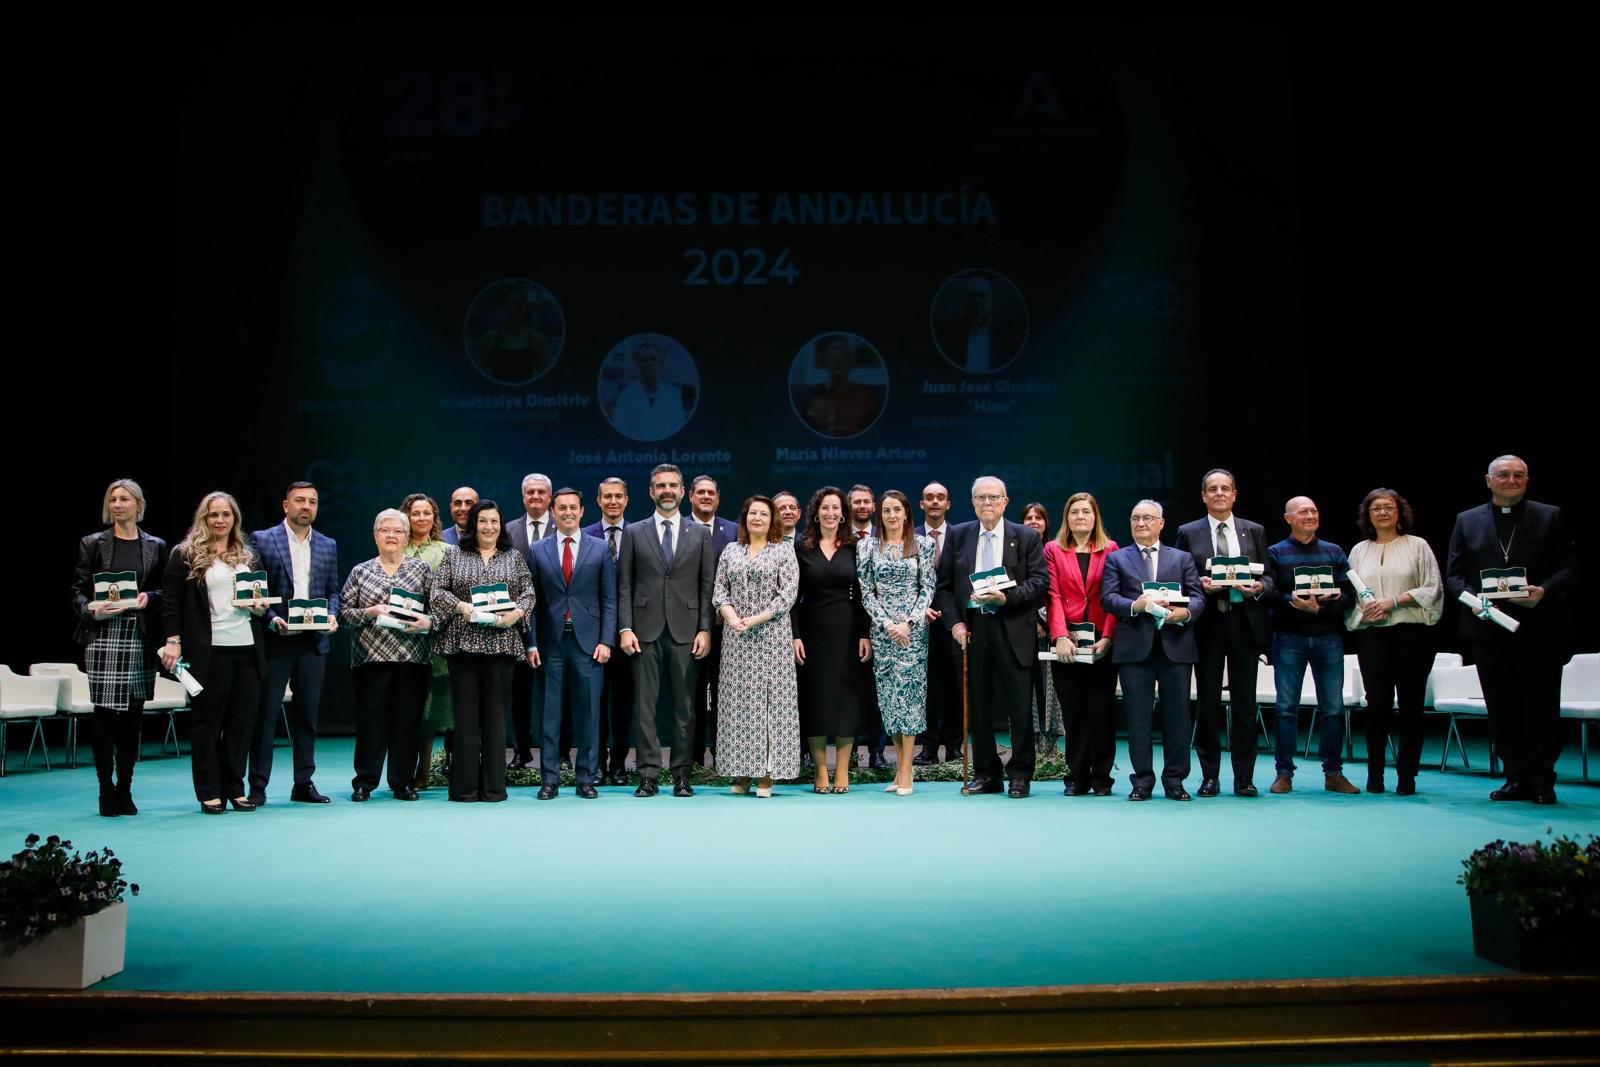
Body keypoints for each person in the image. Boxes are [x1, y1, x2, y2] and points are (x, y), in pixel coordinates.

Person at [1445, 455, 1578, 804]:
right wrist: (1478, 603)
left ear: (1527, 480)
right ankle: (1515, 777)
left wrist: (1543, 591)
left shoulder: (1550, 516)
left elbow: (1570, 567)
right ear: (1488, 480)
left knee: (1541, 705)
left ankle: (1542, 779)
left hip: (1539, 628)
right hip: (1487, 628)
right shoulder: (1467, 520)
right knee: (1501, 707)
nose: (1511, 480)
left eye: (1519, 475)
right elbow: (1454, 576)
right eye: (1503, 475)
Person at [934, 476, 1048, 797]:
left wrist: (1006, 598)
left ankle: (1020, 774)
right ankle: (987, 773)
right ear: (972, 502)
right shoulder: (958, 535)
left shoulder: (1025, 536)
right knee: (977, 706)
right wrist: (954, 623)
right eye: (981, 498)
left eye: (994, 498)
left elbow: (1040, 583)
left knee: (1019, 708)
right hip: (972, 631)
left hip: (1013, 628)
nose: (987, 503)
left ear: (1005, 502)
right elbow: (943, 587)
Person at [158, 491, 268, 814]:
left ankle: (235, 787)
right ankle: (209, 790)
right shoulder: (185, 554)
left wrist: (260, 607)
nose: (220, 520)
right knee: (208, 723)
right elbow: (170, 602)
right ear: (203, 519)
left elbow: (259, 598)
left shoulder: (247, 555)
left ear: (235, 519)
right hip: (209, 651)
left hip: (247, 649)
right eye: (213, 515)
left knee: (240, 723)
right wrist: (173, 640)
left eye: (226, 515)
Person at [1171, 469, 1273, 797]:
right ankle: (1209, 776)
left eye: (1225, 489)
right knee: (1209, 705)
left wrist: (1258, 586)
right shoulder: (1188, 532)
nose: (1219, 494)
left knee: (1244, 705)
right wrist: (1198, 585)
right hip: (1208, 626)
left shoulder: (1253, 531)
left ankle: (1245, 777)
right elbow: (1177, 576)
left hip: (1244, 625)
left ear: (1234, 494)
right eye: (1212, 489)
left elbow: (1270, 578)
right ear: (1203, 496)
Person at [616, 463, 715, 797]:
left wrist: (705, 629)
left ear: (682, 491)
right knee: (645, 708)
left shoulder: (699, 533)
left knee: (685, 708)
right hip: (643, 632)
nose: (667, 491)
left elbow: (707, 587)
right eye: (661, 486)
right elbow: (625, 586)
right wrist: (625, 627)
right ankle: (647, 774)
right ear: (651, 492)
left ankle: (682, 775)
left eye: (673, 485)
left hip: (687, 632)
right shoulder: (633, 531)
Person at [72, 478, 168, 816]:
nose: (118, 504)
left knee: (132, 719)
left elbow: (162, 591)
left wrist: (149, 597)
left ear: (139, 505)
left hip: (139, 635)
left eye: (125, 499)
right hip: (103, 637)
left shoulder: (155, 545)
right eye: (113, 498)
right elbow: (78, 590)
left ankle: (125, 789)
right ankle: (105, 789)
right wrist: (89, 608)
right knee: (104, 718)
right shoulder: (93, 543)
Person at [429, 499, 533, 803]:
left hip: (501, 645)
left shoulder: (513, 558)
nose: (489, 527)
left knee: (496, 718)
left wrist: (516, 614)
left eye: (494, 522)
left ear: (501, 526)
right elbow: (437, 592)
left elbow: (528, 592)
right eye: (483, 521)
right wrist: (462, 607)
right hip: (463, 645)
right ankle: (464, 789)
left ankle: (493, 788)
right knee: (465, 718)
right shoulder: (454, 554)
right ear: (473, 524)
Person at [1101, 500, 1204, 801]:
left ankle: (1175, 780)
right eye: (1135, 518)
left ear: (1162, 523)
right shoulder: (1117, 559)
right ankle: (1142, 781)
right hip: (1135, 648)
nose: (1141, 523)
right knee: (1137, 719)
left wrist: (1183, 614)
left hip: (1176, 647)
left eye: (1148, 518)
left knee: (1178, 719)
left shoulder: (1182, 558)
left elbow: (1197, 598)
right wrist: (1138, 605)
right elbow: (1109, 598)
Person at [247, 481, 340, 806]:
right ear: (285, 505)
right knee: (266, 717)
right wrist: (272, 619)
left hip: (313, 643)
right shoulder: (261, 539)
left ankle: (303, 782)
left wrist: (331, 616)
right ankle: (257, 788)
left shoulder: (328, 544)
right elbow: (255, 590)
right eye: (299, 500)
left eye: (312, 501)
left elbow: (333, 591)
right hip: (277, 641)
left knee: (307, 717)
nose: (306, 506)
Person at [1346, 488, 1442, 796]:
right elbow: (1352, 594)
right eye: (1376, 508)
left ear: (1399, 513)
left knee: (1411, 707)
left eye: (1389, 507)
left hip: (1412, 634)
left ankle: (1407, 778)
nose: (1383, 513)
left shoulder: (1418, 546)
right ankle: (1375, 776)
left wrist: (1394, 602)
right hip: (1373, 635)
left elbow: (1432, 588)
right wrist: (1366, 613)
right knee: (1377, 707)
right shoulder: (1359, 550)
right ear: (1368, 515)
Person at [526, 488, 617, 800]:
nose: (567, 512)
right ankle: (549, 779)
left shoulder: (600, 548)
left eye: (572, 508)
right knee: (550, 715)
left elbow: (609, 600)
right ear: (553, 512)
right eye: (561, 508)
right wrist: (531, 643)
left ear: (581, 512)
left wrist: (607, 641)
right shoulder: (538, 550)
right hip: (551, 643)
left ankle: (586, 779)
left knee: (589, 714)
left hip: (589, 644)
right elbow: (532, 602)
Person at [339, 509, 434, 802]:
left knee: (407, 722)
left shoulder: (421, 570)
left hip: (413, 659)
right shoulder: (361, 571)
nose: (392, 536)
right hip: (371, 659)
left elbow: (437, 613)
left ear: (407, 537)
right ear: (375, 536)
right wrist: (369, 612)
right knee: (371, 722)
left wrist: (427, 622)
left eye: (398, 531)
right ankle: (365, 782)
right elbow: (343, 614)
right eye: (385, 531)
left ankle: (402, 782)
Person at [1265, 497, 1358, 795]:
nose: (1310, 516)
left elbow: (1349, 595)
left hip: (1328, 637)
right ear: (1288, 518)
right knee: (1285, 708)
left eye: (1314, 511)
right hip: (1288, 637)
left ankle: (1334, 773)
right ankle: (1284, 774)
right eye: (1303, 511)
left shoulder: (1333, 551)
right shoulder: (1276, 553)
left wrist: (1323, 609)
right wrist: (1292, 601)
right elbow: (1269, 594)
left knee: (1332, 708)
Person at [712, 496, 800, 797]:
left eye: (764, 514)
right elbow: (719, 590)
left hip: (771, 637)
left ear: (772, 520)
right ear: (745, 518)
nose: (758, 518)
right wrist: (733, 617)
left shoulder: (783, 551)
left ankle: (766, 775)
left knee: (768, 706)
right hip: (736, 639)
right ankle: (743, 773)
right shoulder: (730, 550)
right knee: (739, 707)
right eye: (753, 513)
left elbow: (787, 596)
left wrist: (755, 620)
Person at [793, 486, 871, 793]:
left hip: (848, 632)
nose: (830, 513)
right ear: (815, 512)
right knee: (816, 700)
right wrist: (795, 636)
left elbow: (864, 595)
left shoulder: (855, 547)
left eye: (836, 508)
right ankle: (820, 771)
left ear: (843, 513)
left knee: (846, 701)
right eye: (825, 507)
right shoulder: (802, 546)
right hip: (811, 633)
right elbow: (792, 598)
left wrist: (865, 633)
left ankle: (842, 770)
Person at [858, 490, 935, 796]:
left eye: (896, 510)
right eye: (886, 510)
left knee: (910, 700)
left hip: (913, 634)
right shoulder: (867, 546)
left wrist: (909, 623)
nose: (891, 515)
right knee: (889, 699)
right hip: (883, 632)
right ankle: (900, 770)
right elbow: (866, 591)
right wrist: (888, 624)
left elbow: (927, 586)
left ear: (906, 514)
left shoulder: (924, 545)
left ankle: (906, 772)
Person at [1044, 492, 1119, 796]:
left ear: (1095, 517)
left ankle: (1102, 777)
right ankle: (1076, 777)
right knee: (1073, 711)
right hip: (1068, 642)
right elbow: (1053, 595)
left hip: (1101, 640)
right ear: (1067, 517)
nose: (1080, 517)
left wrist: (1108, 637)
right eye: (1074, 512)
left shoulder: (1111, 549)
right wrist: (1060, 636)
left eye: (1086, 512)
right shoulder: (1053, 549)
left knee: (1101, 711)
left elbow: (1114, 594)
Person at [583, 476, 633, 784]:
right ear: (598, 501)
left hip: (628, 635)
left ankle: (619, 764)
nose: (613, 501)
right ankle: (597, 763)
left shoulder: (639, 535)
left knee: (624, 703)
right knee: (594, 703)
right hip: (593, 634)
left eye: (618, 496)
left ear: (626, 500)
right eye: (607, 497)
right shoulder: (584, 535)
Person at [400, 492, 451, 790]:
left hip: (435, 642)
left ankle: (425, 772)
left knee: (434, 713)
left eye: (426, 513)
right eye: (415, 513)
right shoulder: (395, 546)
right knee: (407, 709)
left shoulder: (447, 551)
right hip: (399, 641)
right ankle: (402, 771)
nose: (421, 518)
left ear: (434, 518)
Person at [689, 475, 740, 767]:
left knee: (726, 696)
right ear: (691, 497)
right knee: (692, 696)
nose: (706, 497)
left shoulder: (733, 531)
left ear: (718, 498)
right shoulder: (678, 529)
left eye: (711, 493)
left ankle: (724, 757)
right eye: (701, 493)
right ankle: (694, 758)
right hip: (689, 626)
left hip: (728, 630)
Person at [507, 473, 555, 771]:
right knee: (519, 694)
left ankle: (560, 753)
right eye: (530, 492)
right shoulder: (508, 530)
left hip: (554, 623)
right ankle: (521, 751)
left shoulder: (563, 526)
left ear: (550, 497)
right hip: (518, 624)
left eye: (541, 492)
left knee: (555, 694)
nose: (535, 497)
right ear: (523, 497)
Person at [914, 481, 962, 765]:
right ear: (922, 504)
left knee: (956, 686)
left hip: (954, 623)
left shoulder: (961, 536)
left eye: (940, 498)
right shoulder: (910, 536)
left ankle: (955, 746)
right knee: (928, 688)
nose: (934, 502)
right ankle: (929, 746)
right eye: (929, 497)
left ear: (948, 504)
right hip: (920, 624)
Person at [1020, 502, 1062, 757]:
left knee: (1052, 690)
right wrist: (1033, 621)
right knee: (1028, 690)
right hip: (1025, 631)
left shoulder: (1055, 550)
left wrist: (1050, 624)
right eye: (1028, 518)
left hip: (1054, 631)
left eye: (1039, 517)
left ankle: (1051, 749)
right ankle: (1030, 748)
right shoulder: (1016, 550)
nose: (1033, 521)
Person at [800, 335, 880, 438]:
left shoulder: (866, 393)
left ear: (851, 363)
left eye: (842, 358)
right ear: (826, 365)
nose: (837, 362)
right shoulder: (815, 394)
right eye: (832, 358)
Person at [610, 341, 688, 440]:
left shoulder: (673, 394)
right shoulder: (625, 396)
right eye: (644, 360)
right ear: (638, 364)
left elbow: (678, 426)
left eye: (653, 359)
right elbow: (620, 429)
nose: (649, 363)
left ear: (659, 363)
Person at [473, 286, 553, 383]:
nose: (513, 310)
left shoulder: (537, 340)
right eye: (508, 305)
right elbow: (480, 378)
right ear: (503, 308)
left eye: (517, 305)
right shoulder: (489, 339)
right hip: (497, 396)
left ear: (525, 308)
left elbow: (545, 380)